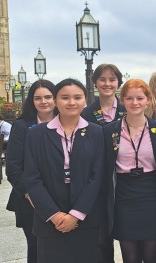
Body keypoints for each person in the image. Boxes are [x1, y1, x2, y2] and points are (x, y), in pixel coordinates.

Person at [23, 78, 104, 262]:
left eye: (77, 97)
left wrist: (76, 214)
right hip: (50, 216)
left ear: (85, 100)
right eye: (65, 97)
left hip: (85, 216)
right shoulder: (37, 134)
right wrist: (54, 214)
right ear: (56, 101)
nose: (71, 102)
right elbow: (32, 177)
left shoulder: (96, 132)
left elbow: (97, 176)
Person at [102, 79, 156, 263]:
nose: (135, 103)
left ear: (148, 100)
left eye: (140, 98)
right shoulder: (109, 131)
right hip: (124, 196)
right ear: (122, 100)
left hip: (151, 195)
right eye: (129, 98)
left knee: (153, 254)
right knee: (129, 255)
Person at [6, 79, 56, 263]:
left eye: (48, 97)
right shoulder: (22, 126)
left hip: (60, 198)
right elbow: (13, 167)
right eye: (38, 98)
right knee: (36, 248)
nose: (44, 101)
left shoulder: (66, 122)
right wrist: (30, 193)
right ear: (32, 101)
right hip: (29, 201)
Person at [80, 63, 125, 263]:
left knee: (129, 236)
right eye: (103, 79)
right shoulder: (86, 113)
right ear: (95, 82)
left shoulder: (129, 109)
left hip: (125, 182)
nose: (107, 83)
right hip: (97, 182)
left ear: (118, 83)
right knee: (101, 239)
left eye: (112, 79)